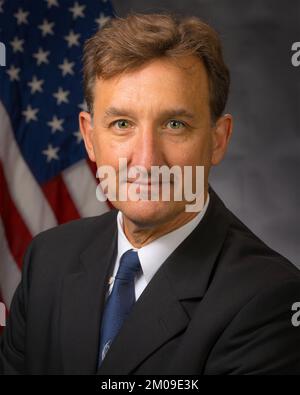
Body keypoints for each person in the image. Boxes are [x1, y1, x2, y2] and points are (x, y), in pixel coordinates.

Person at [1, 13, 300, 375]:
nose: (146, 160)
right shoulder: (47, 259)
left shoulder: (269, 300)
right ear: (90, 137)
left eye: (174, 124)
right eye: (122, 124)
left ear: (218, 140)